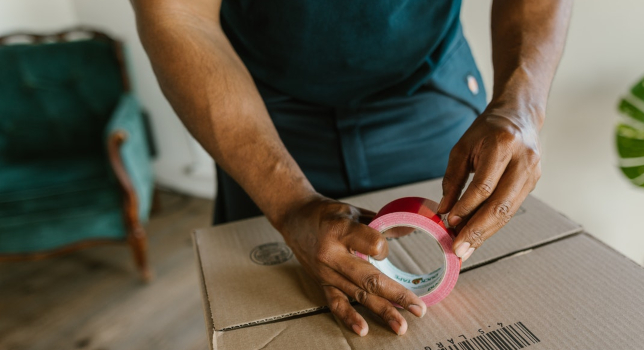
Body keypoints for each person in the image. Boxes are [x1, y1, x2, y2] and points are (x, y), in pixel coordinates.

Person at [132, 0, 572, 337]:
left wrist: (522, 106)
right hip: (253, 98)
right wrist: (288, 206)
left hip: (427, 82)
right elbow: (178, 14)